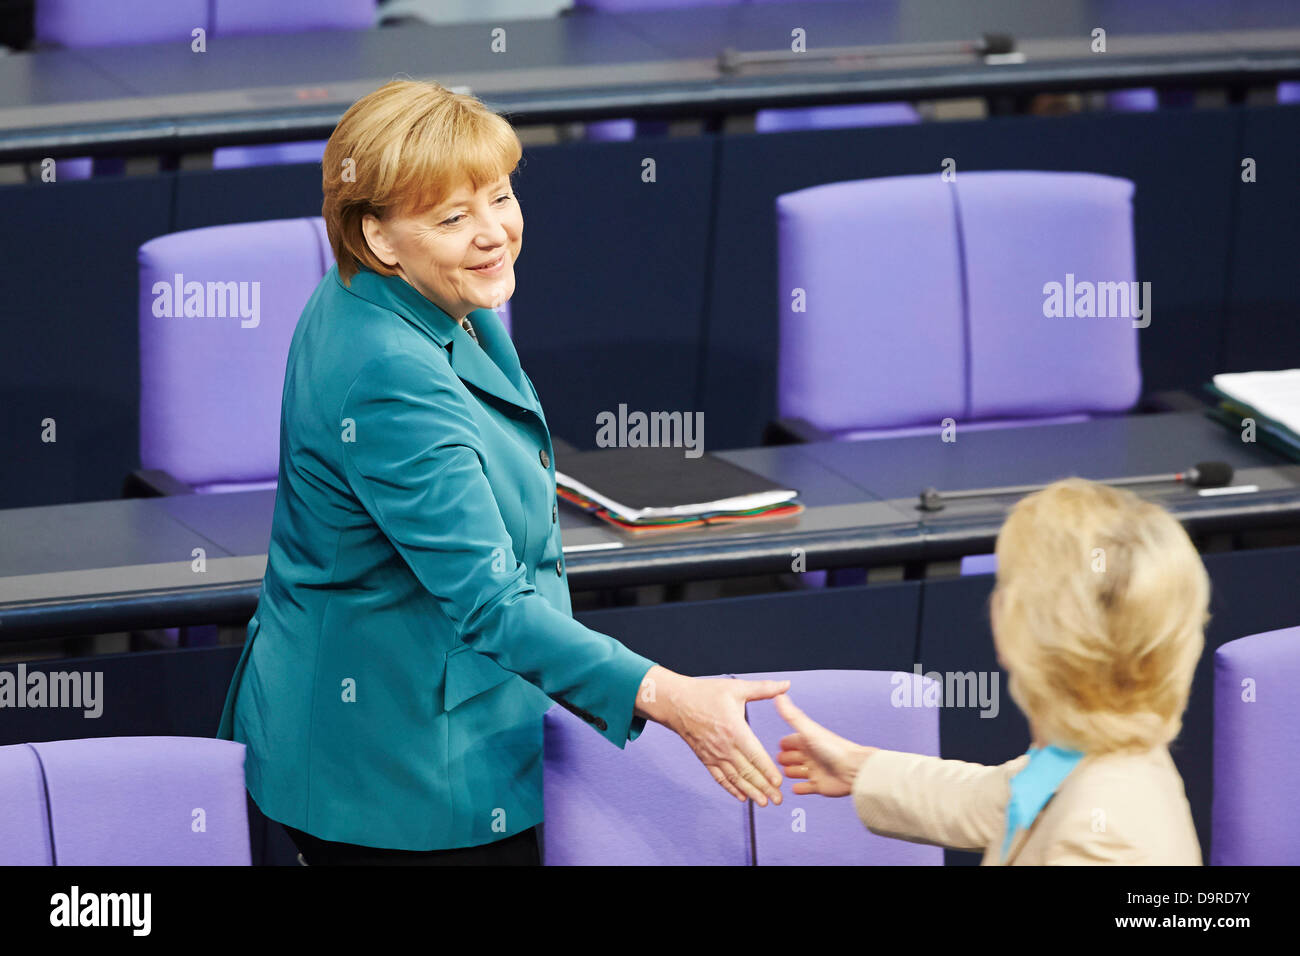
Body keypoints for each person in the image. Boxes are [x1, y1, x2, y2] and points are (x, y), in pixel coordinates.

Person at [216, 80, 787, 865]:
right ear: (379, 236)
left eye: (499, 197)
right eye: (453, 217)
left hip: (389, 722)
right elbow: (491, 605)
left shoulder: (402, 289)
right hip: (399, 774)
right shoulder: (390, 373)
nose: (494, 233)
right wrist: (672, 697)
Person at [773, 477, 1207, 864]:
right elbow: (998, 800)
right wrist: (857, 768)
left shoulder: (1099, 841)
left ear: (1029, 630)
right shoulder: (1098, 755)